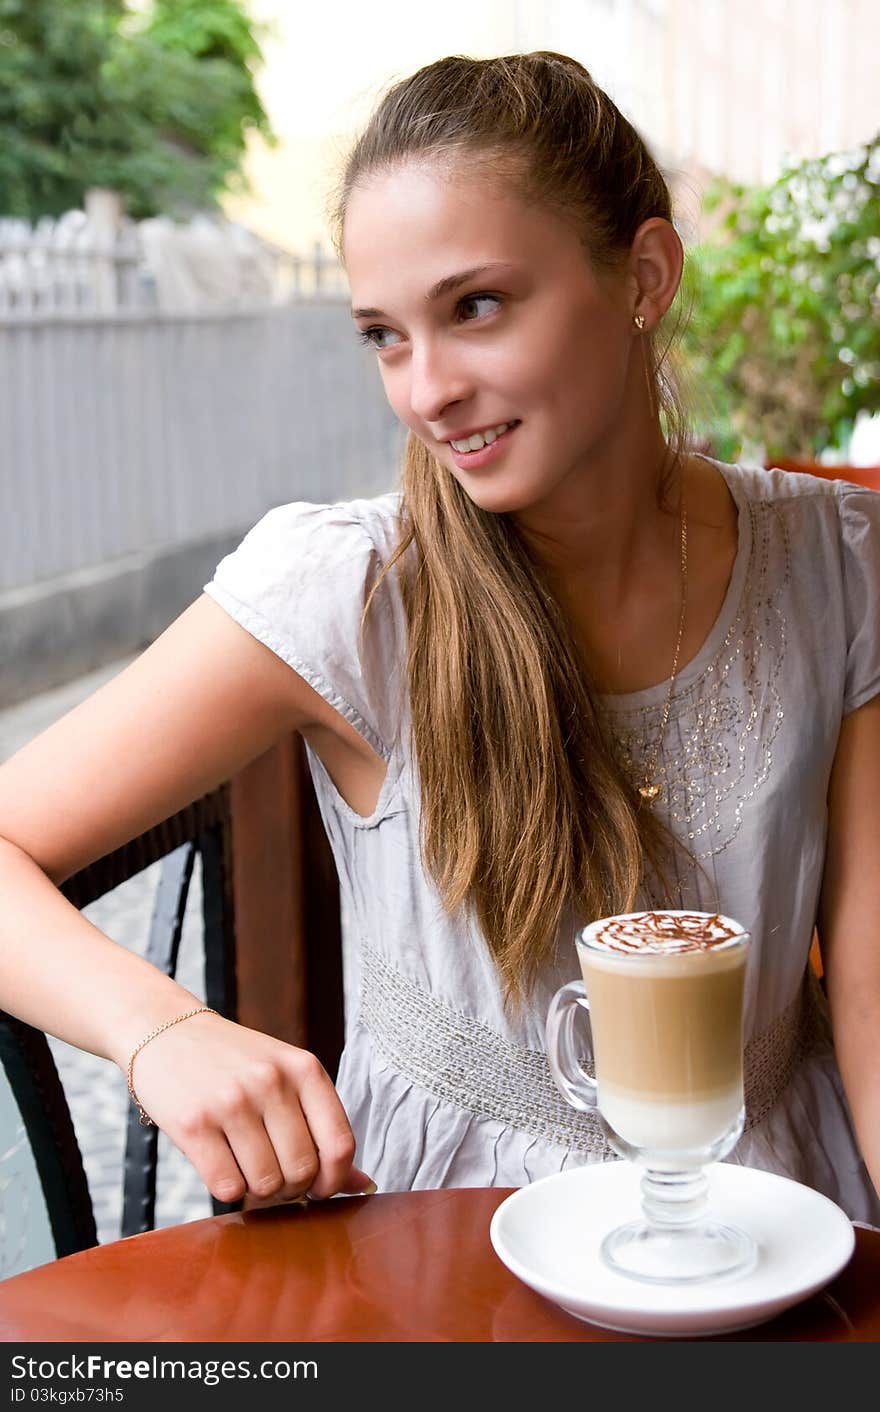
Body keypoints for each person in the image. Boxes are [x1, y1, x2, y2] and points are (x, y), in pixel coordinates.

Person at [1, 51, 878, 1225]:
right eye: (384, 334)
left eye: (475, 307)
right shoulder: (351, 590)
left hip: (770, 1215)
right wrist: (162, 1028)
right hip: (444, 1239)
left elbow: (870, 988)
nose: (425, 390)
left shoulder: (836, 563)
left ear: (643, 274)